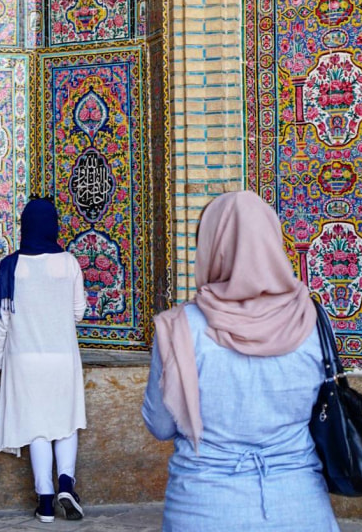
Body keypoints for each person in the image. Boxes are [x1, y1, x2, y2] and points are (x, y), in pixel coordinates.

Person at [142, 190, 340, 532]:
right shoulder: (314, 322)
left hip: (204, 509)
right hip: (300, 507)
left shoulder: (178, 328)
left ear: (211, 246)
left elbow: (160, 425)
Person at [0, 197, 87, 523]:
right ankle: (66, 484)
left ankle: (45, 500)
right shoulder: (69, 263)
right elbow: (78, 313)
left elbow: (2, 321)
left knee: (38, 428)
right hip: (61, 355)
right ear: (54, 225)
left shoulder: (11, 265)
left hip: (24, 360)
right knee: (65, 420)